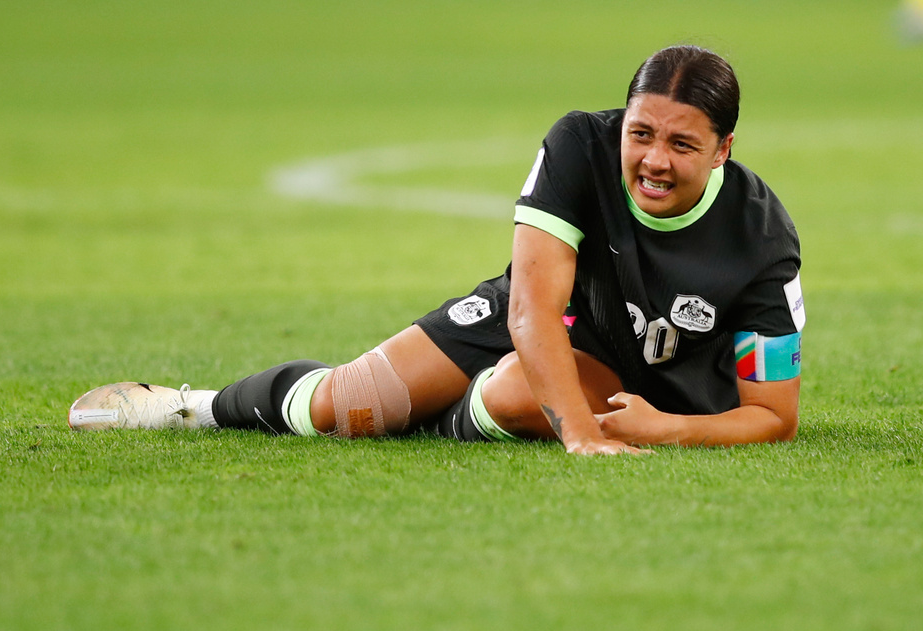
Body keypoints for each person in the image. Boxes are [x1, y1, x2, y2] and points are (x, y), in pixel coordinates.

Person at [69, 45, 805, 456]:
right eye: (641, 133)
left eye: (683, 144)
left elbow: (773, 413)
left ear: (723, 151)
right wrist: (580, 439)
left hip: (637, 382)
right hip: (548, 322)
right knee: (353, 405)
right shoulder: (580, 145)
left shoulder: (761, 237)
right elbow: (530, 305)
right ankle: (186, 407)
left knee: (525, 388)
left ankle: (469, 413)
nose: (652, 159)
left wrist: (663, 427)